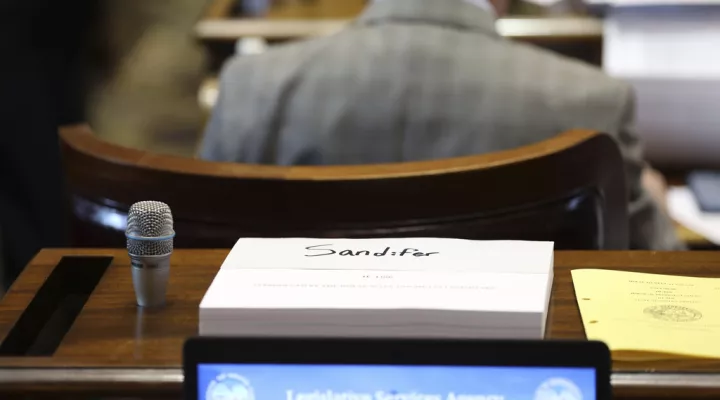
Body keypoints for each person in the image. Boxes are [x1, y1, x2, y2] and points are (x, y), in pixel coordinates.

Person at [198, 0, 682, 250]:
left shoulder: (250, 86)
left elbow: (195, 262)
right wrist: (654, 203)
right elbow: (664, 285)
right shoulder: (592, 102)